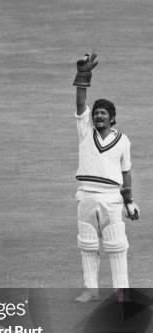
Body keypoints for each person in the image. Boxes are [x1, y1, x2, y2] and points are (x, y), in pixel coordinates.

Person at [72, 53, 139, 303]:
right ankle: (91, 289)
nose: (98, 116)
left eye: (103, 114)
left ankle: (123, 291)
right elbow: (80, 104)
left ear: (112, 117)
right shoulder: (85, 132)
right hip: (86, 194)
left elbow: (126, 171)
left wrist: (129, 201)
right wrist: (83, 75)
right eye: (96, 113)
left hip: (111, 197)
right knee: (87, 244)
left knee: (116, 245)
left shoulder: (123, 141)